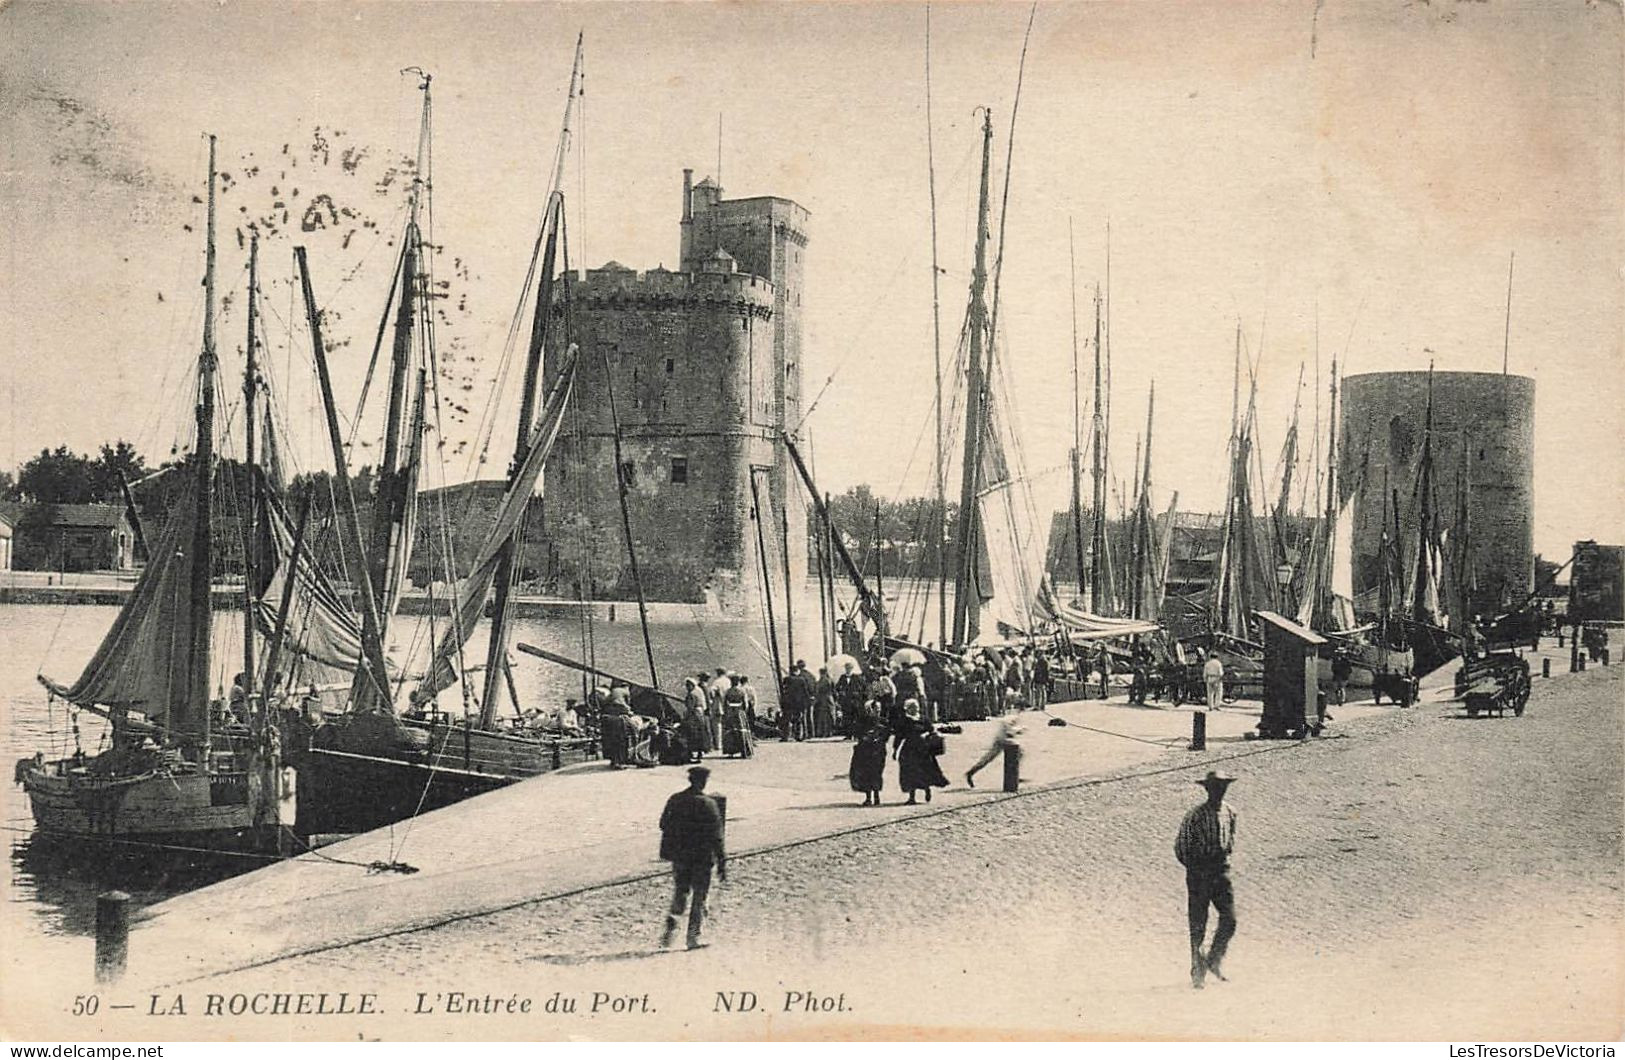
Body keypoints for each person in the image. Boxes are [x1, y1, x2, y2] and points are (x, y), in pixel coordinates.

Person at [1175, 770, 1239, 989]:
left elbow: (1230, 840)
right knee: (1198, 923)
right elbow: (1181, 847)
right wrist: (1196, 869)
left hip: (1221, 871)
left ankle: (1214, 960)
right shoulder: (1195, 815)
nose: (1219, 792)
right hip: (1199, 872)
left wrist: (1223, 862)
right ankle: (1198, 971)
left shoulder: (1230, 812)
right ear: (1207, 790)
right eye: (1214, 788)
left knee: (1230, 920)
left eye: (1222, 787)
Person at [658, 766, 727, 950]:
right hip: (702, 858)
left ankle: (668, 935)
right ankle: (693, 938)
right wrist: (722, 862)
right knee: (699, 897)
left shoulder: (675, 799)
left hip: (680, 856)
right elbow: (717, 837)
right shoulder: (709, 804)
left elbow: (663, 824)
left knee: (680, 894)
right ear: (703, 782)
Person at [893, 700, 948, 805]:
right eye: (913, 707)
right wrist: (895, 750)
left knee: (924, 771)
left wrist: (927, 735)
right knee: (909, 772)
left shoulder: (923, 719)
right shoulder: (904, 721)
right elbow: (899, 736)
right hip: (909, 749)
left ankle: (927, 789)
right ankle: (911, 797)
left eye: (917, 706)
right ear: (907, 708)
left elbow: (932, 730)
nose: (916, 709)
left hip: (923, 749)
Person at [964, 711, 1023, 788]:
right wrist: (1018, 730)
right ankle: (971, 772)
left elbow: (1009, 729)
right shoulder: (1011, 717)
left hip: (1004, 739)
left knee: (1020, 754)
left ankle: (1014, 775)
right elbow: (1008, 729)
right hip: (1001, 740)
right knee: (988, 758)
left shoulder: (1013, 716)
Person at [848, 722, 888, 806]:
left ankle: (870, 798)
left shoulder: (867, 726)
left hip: (870, 753)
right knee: (873, 775)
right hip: (873, 753)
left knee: (869, 775)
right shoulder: (880, 727)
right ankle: (874, 798)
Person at [720, 676, 755, 759]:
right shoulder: (741, 691)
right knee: (742, 731)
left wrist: (726, 712)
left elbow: (724, 703)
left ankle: (731, 752)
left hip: (730, 712)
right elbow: (745, 704)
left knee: (730, 731)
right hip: (739, 712)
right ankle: (744, 751)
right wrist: (744, 712)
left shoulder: (728, 691)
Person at [681, 678, 713, 762]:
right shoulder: (699, 691)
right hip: (700, 714)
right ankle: (700, 753)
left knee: (691, 734)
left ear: (691, 685)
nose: (687, 687)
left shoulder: (691, 694)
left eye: (688, 686)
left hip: (694, 715)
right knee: (701, 733)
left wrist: (685, 717)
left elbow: (690, 707)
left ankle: (690, 753)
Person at [707, 667, 730, 748]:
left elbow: (711, 692)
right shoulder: (728, 681)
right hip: (728, 706)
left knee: (717, 725)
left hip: (718, 705)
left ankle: (718, 744)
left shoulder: (717, 682)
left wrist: (711, 699)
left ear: (718, 673)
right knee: (727, 725)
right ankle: (727, 743)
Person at [813, 667, 837, 739]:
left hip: (825, 700)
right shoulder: (828, 680)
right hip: (827, 699)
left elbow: (819, 690)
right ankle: (827, 732)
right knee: (827, 717)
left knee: (825, 717)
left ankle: (825, 732)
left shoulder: (824, 681)